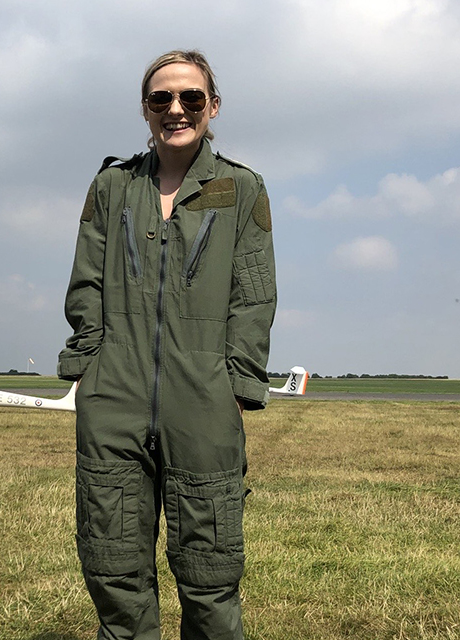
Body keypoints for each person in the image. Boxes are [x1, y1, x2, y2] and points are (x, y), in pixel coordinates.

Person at [58, 50, 276, 639]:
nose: (175, 109)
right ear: (146, 108)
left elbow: (253, 297)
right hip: (114, 395)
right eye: (162, 98)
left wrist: (236, 383)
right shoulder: (111, 187)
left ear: (212, 106)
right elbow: (87, 281)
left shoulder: (242, 189)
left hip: (203, 397)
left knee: (210, 569)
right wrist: (91, 366)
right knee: (113, 564)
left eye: (190, 98)